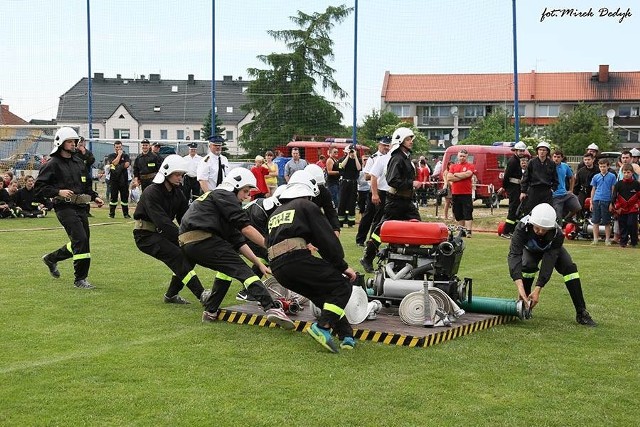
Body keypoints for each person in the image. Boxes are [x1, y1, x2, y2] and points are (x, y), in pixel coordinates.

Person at [178, 167, 294, 328]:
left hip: (189, 243)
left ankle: (210, 310)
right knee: (244, 272)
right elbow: (245, 228)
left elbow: (238, 242)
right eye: (245, 191)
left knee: (229, 270)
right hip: (204, 240)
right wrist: (272, 246)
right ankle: (272, 308)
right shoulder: (225, 195)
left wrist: (259, 263)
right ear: (235, 185)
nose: (247, 196)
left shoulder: (215, 200)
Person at [267, 171, 357, 352]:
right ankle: (322, 327)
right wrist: (342, 266)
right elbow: (326, 240)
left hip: (278, 267)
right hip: (296, 260)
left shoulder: (276, 212)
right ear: (309, 191)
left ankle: (346, 336)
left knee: (324, 296)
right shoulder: (306, 205)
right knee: (341, 286)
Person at [133, 155, 207, 304]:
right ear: (166, 173)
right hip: (145, 236)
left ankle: (171, 295)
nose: (180, 178)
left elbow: (185, 218)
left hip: (161, 234)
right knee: (177, 255)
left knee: (189, 255)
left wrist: (199, 233)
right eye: (177, 175)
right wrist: (183, 239)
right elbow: (163, 222)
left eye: (182, 175)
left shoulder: (177, 193)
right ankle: (202, 295)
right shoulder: (151, 192)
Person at [36, 127, 104, 289]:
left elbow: (86, 185)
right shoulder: (52, 164)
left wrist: (95, 197)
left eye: (74, 141)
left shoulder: (78, 162)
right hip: (63, 207)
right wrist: (58, 192)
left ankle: (51, 258)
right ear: (60, 143)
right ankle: (80, 279)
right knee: (80, 239)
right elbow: (39, 187)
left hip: (80, 206)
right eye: (70, 141)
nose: (73, 144)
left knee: (82, 240)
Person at [507, 202, 596, 327]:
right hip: (530, 251)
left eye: (544, 229)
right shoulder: (521, 228)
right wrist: (519, 287)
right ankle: (525, 306)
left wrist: (538, 288)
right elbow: (514, 255)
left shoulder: (557, 234)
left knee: (570, 269)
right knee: (527, 265)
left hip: (550, 250)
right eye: (537, 228)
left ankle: (581, 313)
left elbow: (549, 262)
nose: (540, 231)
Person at [360, 127, 422, 274]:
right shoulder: (397, 158)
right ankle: (368, 258)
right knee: (381, 230)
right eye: (408, 139)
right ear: (400, 141)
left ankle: (406, 258)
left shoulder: (404, 157)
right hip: (395, 201)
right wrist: (411, 184)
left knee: (417, 227)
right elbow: (392, 180)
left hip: (406, 201)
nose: (411, 142)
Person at [355, 136, 391, 246]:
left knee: (380, 217)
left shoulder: (391, 157)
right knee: (368, 217)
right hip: (374, 191)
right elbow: (366, 176)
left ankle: (372, 240)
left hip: (386, 191)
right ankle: (360, 239)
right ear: (379, 145)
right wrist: (376, 174)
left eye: (387, 145)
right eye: (384, 145)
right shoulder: (373, 158)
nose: (386, 147)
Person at [497, 142, 528, 238]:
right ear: (515, 151)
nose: (522, 152)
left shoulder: (518, 160)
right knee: (513, 209)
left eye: (523, 150)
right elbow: (507, 176)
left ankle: (512, 230)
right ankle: (505, 231)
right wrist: (504, 187)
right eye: (520, 150)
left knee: (518, 209)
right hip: (513, 187)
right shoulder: (513, 161)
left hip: (518, 187)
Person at [520, 141, 557, 216]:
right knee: (531, 211)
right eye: (540, 150)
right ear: (537, 151)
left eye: (544, 150)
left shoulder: (551, 163)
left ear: (547, 152)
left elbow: (555, 178)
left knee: (546, 211)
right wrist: (523, 191)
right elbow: (526, 177)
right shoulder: (532, 162)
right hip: (534, 190)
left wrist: (553, 189)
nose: (542, 152)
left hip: (546, 191)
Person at [304, 163, 341, 236]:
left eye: (319, 185)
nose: (317, 188)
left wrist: (336, 229)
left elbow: (330, 211)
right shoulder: (299, 194)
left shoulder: (323, 191)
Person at [447, 149, 476, 236]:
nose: (462, 158)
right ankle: (461, 231)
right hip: (455, 193)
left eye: (464, 156)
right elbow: (449, 178)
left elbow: (468, 174)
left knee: (468, 211)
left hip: (466, 193)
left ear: (467, 157)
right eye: (460, 156)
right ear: (458, 156)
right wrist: (461, 175)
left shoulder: (470, 165)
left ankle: (469, 231)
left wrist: (456, 174)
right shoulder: (453, 166)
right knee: (457, 212)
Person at [611, 163, 640, 248]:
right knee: (623, 225)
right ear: (622, 173)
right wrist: (615, 207)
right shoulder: (618, 184)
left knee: (631, 224)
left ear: (632, 173)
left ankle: (634, 242)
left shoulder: (636, 184)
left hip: (633, 209)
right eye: (625, 172)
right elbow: (614, 196)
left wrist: (637, 205)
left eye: (628, 172)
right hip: (621, 209)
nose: (626, 174)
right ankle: (623, 242)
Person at [589, 158, 617, 245]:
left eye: (604, 166)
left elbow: (613, 190)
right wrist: (591, 201)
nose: (602, 168)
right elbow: (593, 189)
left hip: (606, 200)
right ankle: (595, 239)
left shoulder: (612, 176)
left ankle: (607, 239)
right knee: (595, 221)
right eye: (601, 166)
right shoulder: (596, 176)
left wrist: (612, 203)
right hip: (596, 200)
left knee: (607, 221)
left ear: (608, 166)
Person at [551, 149, 581, 224]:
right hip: (555, 196)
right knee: (558, 217)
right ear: (552, 157)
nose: (556, 159)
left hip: (565, 193)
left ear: (561, 158)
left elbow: (572, 177)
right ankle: (559, 231)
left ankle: (568, 218)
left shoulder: (565, 166)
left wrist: (571, 189)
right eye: (554, 157)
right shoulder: (549, 166)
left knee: (577, 207)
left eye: (558, 157)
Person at [337, 145, 361, 227]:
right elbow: (342, 166)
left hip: (353, 183)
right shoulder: (342, 159)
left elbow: (359, 168)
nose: (351, 152)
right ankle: (340, 221)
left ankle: (351, 222)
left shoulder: (358, 160)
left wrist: (355, 156)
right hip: (344, 182)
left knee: (352, 202)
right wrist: (348, 156)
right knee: (342, 202)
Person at [106, 140, 132, 218]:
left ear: (122, 147)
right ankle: (111, 214)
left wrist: (117, 167)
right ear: (114, 147)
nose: (118, 148)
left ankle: (126, 214)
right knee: (113, 197)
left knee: (124, 197)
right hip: (114, 179)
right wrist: (119, 156)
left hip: (124, 179)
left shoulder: (126, 156)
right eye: (117, 147)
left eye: (120, 147)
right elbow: (114, 163)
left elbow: (127, 164)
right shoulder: (111, 155)